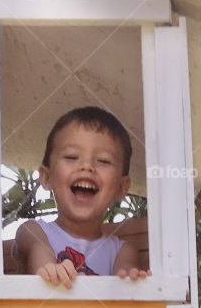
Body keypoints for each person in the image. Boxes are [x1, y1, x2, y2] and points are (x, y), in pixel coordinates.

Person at [13, 105, 149, 287]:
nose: (87, 167)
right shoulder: (33, 232)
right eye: (71, 157)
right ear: (46, 177)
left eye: (103, 161)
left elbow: (124, 289)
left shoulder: (121, 252)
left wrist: (133, 282)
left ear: (121, 188)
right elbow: (41, 258)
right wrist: (49, 269)